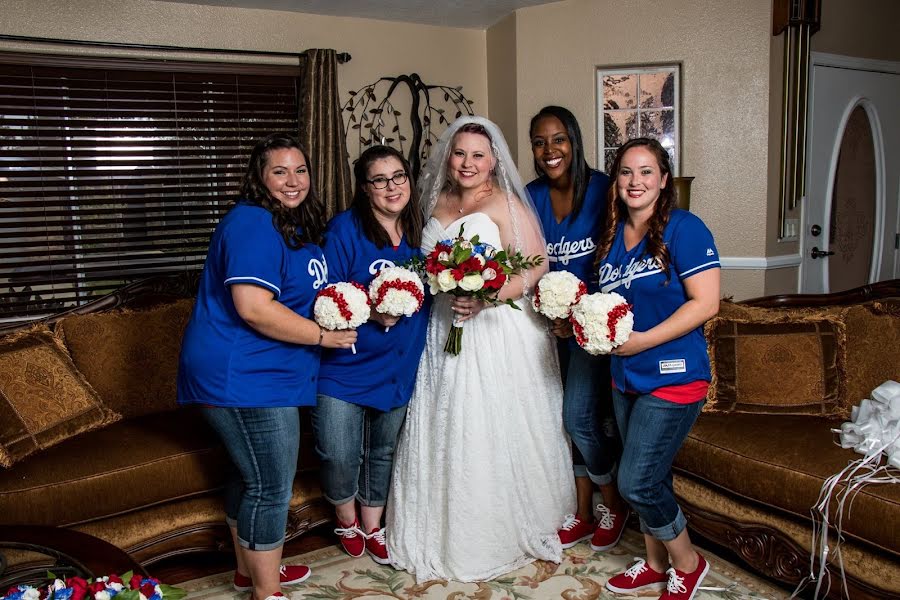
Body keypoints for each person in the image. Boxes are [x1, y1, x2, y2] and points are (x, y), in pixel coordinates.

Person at [386, 116, 576, 582]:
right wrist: (443, 287)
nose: (467, 163)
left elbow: (534, 268)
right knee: (446, 418)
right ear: (448, 158)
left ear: (494, 162)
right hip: (444, 326)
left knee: (487, 419)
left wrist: (485, 294)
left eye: (477, 155)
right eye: (459, 153)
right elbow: (423, 263)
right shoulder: (434, 199)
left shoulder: (506, 202)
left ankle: (497, 526)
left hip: (495, 331)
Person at [177, 133, 357, 600]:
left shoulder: (288, 226)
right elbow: (254, 307)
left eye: (301, 170)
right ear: (260, 177)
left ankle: (249, 574)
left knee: (247, 474)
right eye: (280, 171)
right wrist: (323, 337)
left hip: (269, 374)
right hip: (244, 377)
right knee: (269, 485)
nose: (293, 181)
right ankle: (265, 591)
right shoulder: (253, 223)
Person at [595, 138, 719, 600]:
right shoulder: (611, 237)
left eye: (646, 172)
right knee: (654, 475)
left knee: (636, 480)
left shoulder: (686, 229)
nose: (635, 181)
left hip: (674, 373)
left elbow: (706, 303)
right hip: (625, 376)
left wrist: (643, 341)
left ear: (664, 180)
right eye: (626, 172)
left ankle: (687, 563)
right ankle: (653, 561)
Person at [313, 145, 429, 565]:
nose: (392, 187)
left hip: (399, 363)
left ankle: (373, 523)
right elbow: (325, 296)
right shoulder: (344, 229)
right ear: (365, 189)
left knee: (382, 450)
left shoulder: (422, 230)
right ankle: (346, 518)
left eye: (398, 176)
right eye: (379, 180)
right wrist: (371, 308)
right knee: (339, 451)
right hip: (346, 364)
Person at [526, 106, 629, 552]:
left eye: (558, 139)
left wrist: (579, 317)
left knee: (580, 417)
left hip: (590, 329)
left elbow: (624, 255)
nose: (550, 150)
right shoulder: (529, 195)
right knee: (560, 423)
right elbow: (523, 260)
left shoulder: (605, 189)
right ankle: (582, 513)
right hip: (543, 329)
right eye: (539, 142)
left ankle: (614, 505)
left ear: (575, 139)